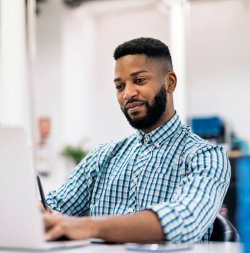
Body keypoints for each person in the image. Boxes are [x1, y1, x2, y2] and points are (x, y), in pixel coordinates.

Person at [43, 37, 230, 243]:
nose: (128, 94)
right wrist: (37, 212)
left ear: (170, 82)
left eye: (139, 80)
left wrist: (90, 226)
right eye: (120, 86)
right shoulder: (102, 156)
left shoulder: (206, 157)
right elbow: (54, 207)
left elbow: (185, 219)